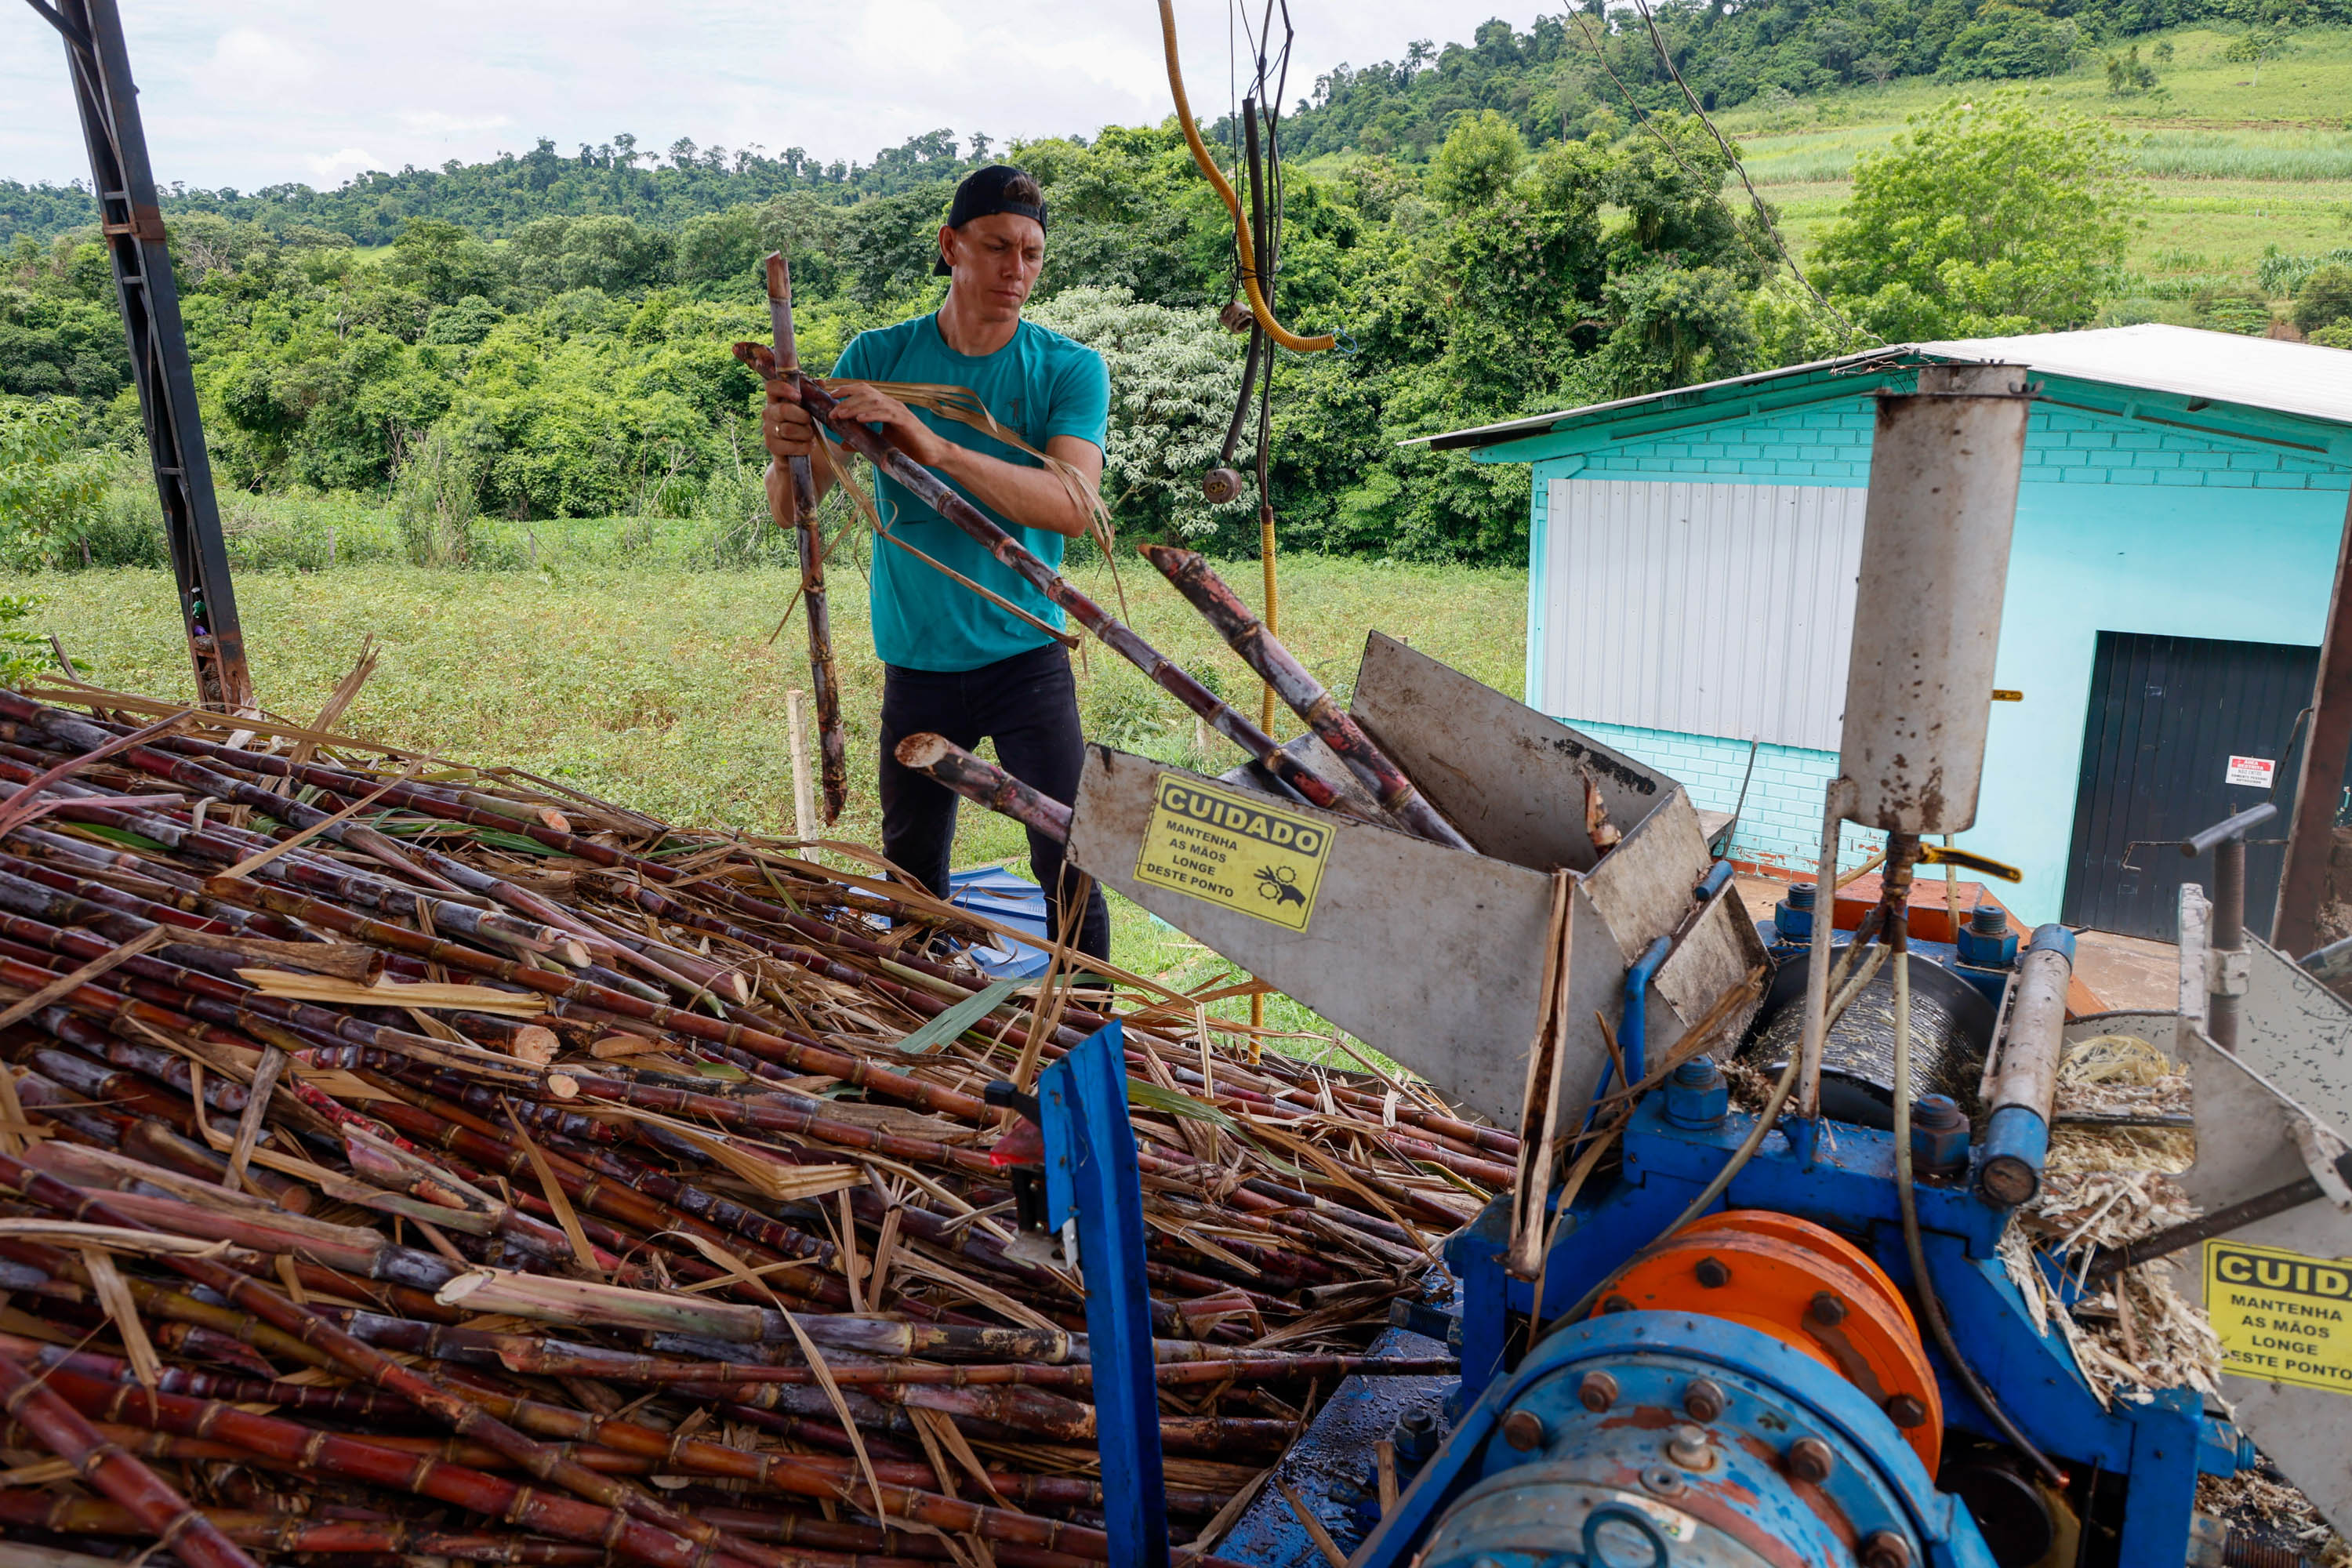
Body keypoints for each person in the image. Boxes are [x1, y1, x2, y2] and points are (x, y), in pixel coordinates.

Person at [762, 165, 1113, 961]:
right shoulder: (877, 358)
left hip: (1027, 655)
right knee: (912, 872)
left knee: (1070, 860)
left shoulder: (1067, 368)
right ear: (951, 246)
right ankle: (926, 1023)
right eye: (996, 248)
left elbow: (1075, 506)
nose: (1014, 271)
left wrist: (934, 444)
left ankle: (1091, 1019)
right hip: (917, 661)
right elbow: (794, 507)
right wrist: (784, 448)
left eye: (1031, 253)